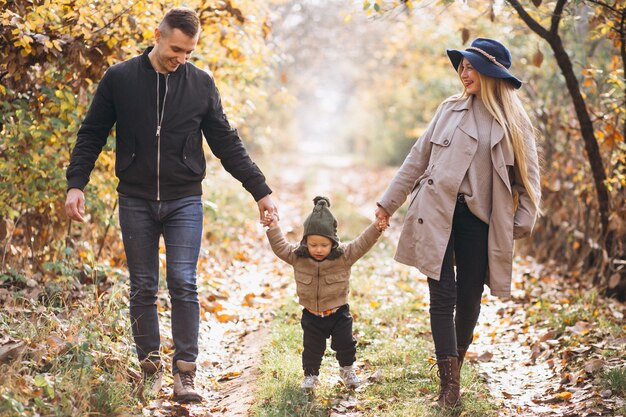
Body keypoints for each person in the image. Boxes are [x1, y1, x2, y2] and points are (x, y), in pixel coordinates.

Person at [64, 7, 277, 403]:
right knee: (143, 285)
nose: (181, 59)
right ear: (157, 34)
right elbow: (92, 132)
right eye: (176, 49)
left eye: (189, 53)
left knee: (183, 281)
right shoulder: (120, 78)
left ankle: (185, 374)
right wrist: (76, 183)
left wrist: (260, 190)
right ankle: (149, 367)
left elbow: (226, 143)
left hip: (184, 200)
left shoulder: (200, 84)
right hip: (135, 198)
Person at [375, 38, 541, 407]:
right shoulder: (448, 110)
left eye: (471, 67)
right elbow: (416, 159)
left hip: (480, 219)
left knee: (469, 298)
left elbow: (528, 182)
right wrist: (388, 202)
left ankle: (457, 365)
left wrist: (517, 224)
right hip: (436, 212)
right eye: (461, 66)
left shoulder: (515, 123)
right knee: (442, 295)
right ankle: (449, 387)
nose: (463, 73)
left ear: (491, 74)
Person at [264, 196, 387, 390]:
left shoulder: (344, 256)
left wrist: (377, 227)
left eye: (324, 245)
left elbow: (362, 243)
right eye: (313, 245)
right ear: (305, 243)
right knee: (312, 349)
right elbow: (280, 246)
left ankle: (347, 369)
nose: (318, 249)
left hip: (338, 314)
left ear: (333, 243)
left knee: (345, 344)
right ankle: (311, 376)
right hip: (312, 315)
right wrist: (273, 227)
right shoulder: (298, 257)